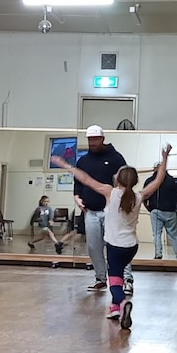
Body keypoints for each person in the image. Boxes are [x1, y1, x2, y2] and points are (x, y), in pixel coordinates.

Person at [53, 143, 172, 329]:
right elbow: (158, 180)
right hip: (131, 247)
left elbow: (85, 179)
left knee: (115, 282)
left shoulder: (110, 192)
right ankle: (114, 309)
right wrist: (165, 158)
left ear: (119, 179)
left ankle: (122, 303)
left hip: (115, 247)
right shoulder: (139, 196)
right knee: (119, 274)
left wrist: (65, 165)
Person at [75, 125, 130, 293]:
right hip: (90, 211)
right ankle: (100, 278)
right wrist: (77, 197)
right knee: (93, 246)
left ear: (102, 139)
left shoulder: (116, 158)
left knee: (117, 246)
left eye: (95, 139)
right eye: (89, 140)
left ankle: (126, 279)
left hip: (111, 212)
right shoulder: (83, 161)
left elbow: (125, 181)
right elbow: (78, 181)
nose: (92, 143)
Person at [143, 161, 177, 260]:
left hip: (156, 210)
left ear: (155, 169)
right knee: (174, 235)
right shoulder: (172, 181)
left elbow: (144, 196)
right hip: (170, 211)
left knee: (156, 234)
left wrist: (149, 208)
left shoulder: (150, 181)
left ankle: (158, 254)